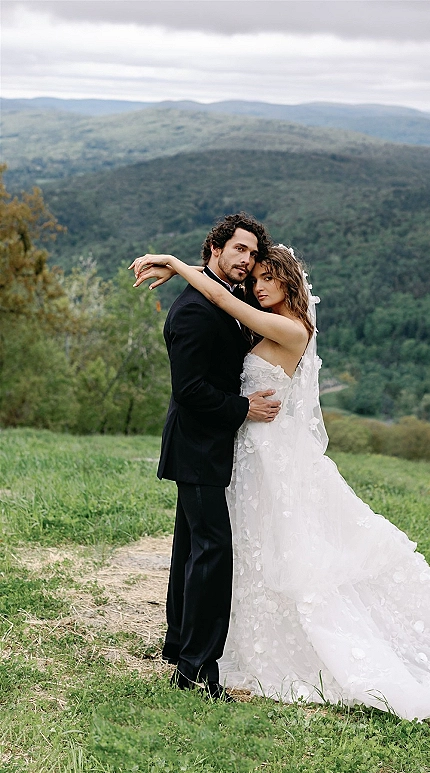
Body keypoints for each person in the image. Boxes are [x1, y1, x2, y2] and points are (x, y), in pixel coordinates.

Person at [132, 245, 430, 734]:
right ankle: (214, 641)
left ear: (289, 284)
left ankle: (227, 648)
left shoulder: (290, 329)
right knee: (249, 545)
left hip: (270, 449)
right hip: (252, 450)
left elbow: (227, 303)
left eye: (267, 278)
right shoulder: (268, 316)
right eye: (255, 277)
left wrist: (178, 266)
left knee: (276, 547)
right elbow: (229, 299)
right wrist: (197, 270)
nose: (257, 287)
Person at [130, 213, 282, 701]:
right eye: (239, 249)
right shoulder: (193, 310)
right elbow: (189, 389)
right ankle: (197, 669)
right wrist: (245, 408)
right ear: (215, 250)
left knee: (191, 550)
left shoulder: (229, 298)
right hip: (196, 447)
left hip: (211, 447)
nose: (247, 260)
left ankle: (180, 648)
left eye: (254, 254)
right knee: (213, 555)